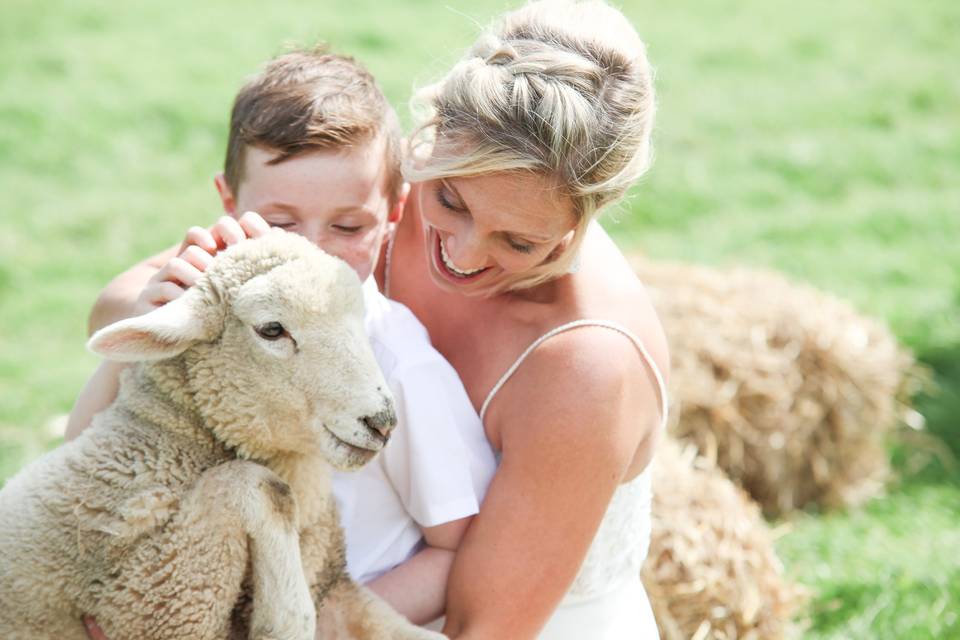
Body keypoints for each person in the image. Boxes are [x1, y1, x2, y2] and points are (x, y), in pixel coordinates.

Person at [88, 0, 667, 636]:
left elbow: (484, 625)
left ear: (584, 220)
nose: (465, 254)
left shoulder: (586, 366)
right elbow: (122, 304)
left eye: (520, 243)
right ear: (437, 135)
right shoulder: (358, 207)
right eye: (451, 200)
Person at [65, 48, 495, 632]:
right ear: (229, 204)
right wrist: (151, 321)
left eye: (348, 226)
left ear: (394, 211)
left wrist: (312, 622)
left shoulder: (396, 365)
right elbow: (85, 449)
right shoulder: (214, 328)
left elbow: (455, 551)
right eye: (283, 223)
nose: (314, 249)